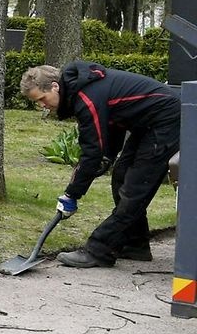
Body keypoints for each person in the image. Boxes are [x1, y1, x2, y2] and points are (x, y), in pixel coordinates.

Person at [20, 62, 180, 267]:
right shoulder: (84, 89)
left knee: (134, 190)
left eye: (42, 99)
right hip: (147, 122)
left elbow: (91, 152)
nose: (42, 105)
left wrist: (72, 194)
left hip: (167, 120)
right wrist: (109, 156)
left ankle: (100, 250)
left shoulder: (86, 98)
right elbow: (114, 123)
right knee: (122, 176)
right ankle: (135, 245)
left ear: (55, 86)